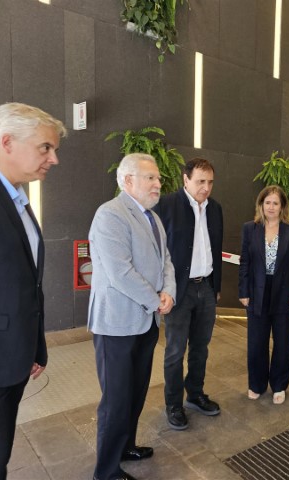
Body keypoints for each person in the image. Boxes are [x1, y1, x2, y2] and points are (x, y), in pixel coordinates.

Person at [88, 153, 176, 480]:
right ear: (128, 181)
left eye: (157, 178)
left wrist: (169, 292)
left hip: (146, 321)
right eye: (150, 178)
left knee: (136, 392)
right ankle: (106, 471)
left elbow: (165, 260)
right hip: (116, 324)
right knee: (116, 399)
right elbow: (120, 272)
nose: (158, 183)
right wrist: (156, 300)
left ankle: (125, 447)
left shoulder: (153, 217)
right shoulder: (109, 215)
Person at [0, 103, 65, 480]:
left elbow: (25, 288)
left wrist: (33, 347)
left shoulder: (18, 198)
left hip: (14, 359)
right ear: (7, 142)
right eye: (45, 148)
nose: (53, 159)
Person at [153, 158, 223, 430]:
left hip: (205, 288)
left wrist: (215, 287)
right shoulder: (167, 206)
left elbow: (215, 249)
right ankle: (174, 404)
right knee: (174, 351)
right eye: (200, 182)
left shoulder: (215, 209)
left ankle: (195, 395)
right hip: (177, 290)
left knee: (201, 348)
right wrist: (162, 289)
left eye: (210, 182)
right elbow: (157, 251)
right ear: (185, 179)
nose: (206, 188)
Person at [238, 185, 289, 405]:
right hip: (257, 291)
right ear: (261, 205)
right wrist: (244, 291)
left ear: (282, 206)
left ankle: (279, 384)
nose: (271, 207)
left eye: (276, 203)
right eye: (268, 202)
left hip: (284, 293)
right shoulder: (250, 228)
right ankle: (256, 384)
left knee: (284, 341)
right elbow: (245, 262)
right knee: (257, 341)